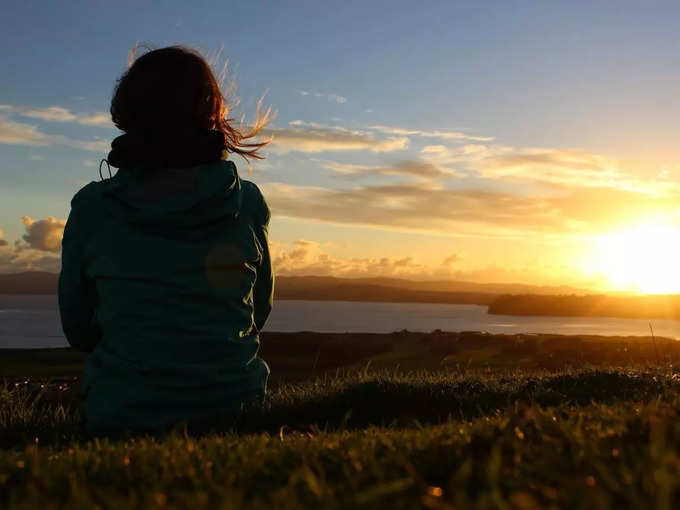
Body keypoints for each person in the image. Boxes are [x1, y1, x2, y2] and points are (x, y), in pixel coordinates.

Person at [58, 46, 274, 436]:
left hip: (120, 416)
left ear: (127, 115)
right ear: (213, 113)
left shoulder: (92, 208)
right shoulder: (247, 202)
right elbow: (258, 312)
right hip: (236, 412)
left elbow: (79, 329)